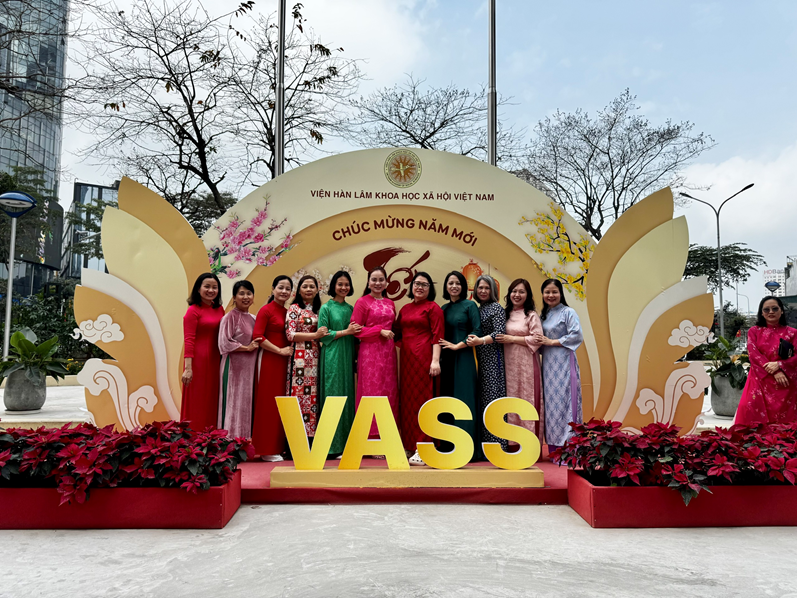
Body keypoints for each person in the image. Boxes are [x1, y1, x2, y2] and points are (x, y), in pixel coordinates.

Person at [395, 271, 444, 464]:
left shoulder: (433, 308)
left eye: (424, 284)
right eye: (417, 283)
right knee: (407, 403)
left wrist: (435, 360)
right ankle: (409, 445)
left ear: (430, 289)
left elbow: (438, 335)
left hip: (425, 360)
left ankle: (424, 447)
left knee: (423, 401)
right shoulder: (405, 309)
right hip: (407, 362)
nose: (420, 287)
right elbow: (396, 332)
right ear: (411, 286)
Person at [532, 278, 583, 454]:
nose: (550, 295)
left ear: (560, 293)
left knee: (566, 403)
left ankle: (570, 449)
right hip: (548, 367)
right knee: (551, 406)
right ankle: (554, 448)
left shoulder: (568, 312)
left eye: (554, 292)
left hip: (565, 365)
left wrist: (552, 342)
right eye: (547, 292)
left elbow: (577, 335)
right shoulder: (543, 316)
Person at [318, 271, 362, 456]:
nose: (344, 287)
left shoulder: (352, 309)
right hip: (332, 356)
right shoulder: (326, 308)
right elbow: (323, 336)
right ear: (333, 286)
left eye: (346, 284)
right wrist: (346, 332)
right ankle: (331, 446)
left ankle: (346, 445)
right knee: (333, 395)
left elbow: (358, 333)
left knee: (347, 397)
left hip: (347, 356)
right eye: (340, 284)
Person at [438, 270, 482, 458]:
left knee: (465, 398)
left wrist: (458, 345)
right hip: (446, 359)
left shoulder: (470, 305)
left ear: (463, 286)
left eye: (458, 283)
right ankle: (449, 445)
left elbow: (477, 331)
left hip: (464, 357)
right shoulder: (443, 308)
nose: (454, 286)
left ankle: (467, 448)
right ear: (446, 287)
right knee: (448, 398)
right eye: (451, 283)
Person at [351, 267, 398, 439]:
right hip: (369, 354)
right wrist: (379, 331)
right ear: (368, 282)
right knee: (372, 390)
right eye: (374, 280)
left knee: (389, 390)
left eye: (381, 280)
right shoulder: (362, 302)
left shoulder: (390, 303)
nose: (378, 283)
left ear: (386, 282)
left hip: (388, 353)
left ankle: (387, 435)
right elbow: (355, 330)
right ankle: (370, 436)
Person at [735, 296, 797, 425]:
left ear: (782, 311)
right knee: (749, 410)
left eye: (775, 308)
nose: (771, 312)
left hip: (784, 382)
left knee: (784, 423)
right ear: (762, 313)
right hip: (760, 379)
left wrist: (780, 365)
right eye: (766, 309)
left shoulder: (793, 333)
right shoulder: (754, 331)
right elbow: (753, 354)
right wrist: (775, 371)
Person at [252, 275, 294, 461]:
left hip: (285, 361)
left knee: (282, 403)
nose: (284, 291)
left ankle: (278, 446)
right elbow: (257, 336)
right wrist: (279, 350)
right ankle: (266, 449)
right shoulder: (266, 310)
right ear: (273, 289)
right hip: (270, 361)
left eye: (287, 288)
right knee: (268, 402)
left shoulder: (288, 312)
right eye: (281, 287)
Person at [496, 278, 544, 441]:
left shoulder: (531, 315)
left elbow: (538, 339)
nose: (517, 295)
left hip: (527, 365)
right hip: (507, 366)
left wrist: (512, 339)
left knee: (527, 399)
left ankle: (530, 442)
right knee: (511, 400)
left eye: (521, 292)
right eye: (514, 291)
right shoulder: (504, 314)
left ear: (528, 295)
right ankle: (512, 443)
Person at [467, 274, 508, 452]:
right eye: (480, 288)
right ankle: (485, 444)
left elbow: (499, 333)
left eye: (486, 288)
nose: (483, 291)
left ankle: (498, 444)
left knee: (493, 399)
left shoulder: (496, 308)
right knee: (483, 400)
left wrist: (481, 341)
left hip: (493, 359)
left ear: (493, 290)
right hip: (480, 360)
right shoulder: (478, 308)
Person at [286, 275, 328, 440]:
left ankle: (312, 437)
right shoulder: (294, 308)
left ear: (317, 290)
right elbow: (290, 335)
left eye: (312, 286)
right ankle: (296, 439)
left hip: (316, 358)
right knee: (298, 396)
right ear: (299, 290)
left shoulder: (319, 310)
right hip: (299, 358)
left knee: (314, 398)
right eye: (305, 286)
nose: (309, 289)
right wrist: (315, 335)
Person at [181, 272, 225, 430]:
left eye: (215, 287)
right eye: (207, 286)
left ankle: (211, 436)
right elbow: (189, 340)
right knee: (197, 399)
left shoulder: (219, 309)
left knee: (212, 398)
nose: (211, 290)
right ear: (198, 289)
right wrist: (188, 368)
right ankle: (193, 436)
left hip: (215, 360)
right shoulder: (193, 311)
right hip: (197, 362)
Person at [218, 280, 259, 438]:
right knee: (232, 402)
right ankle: (229, 439)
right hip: (233, 369)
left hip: (249, 369)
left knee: (245, 403)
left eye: (249, 293)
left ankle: (244, 440)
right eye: (241, 293)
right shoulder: (230, 317)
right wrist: (246, 348)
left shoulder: (254, 318)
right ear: (234, 297)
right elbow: (224, 343)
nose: (246, 297)